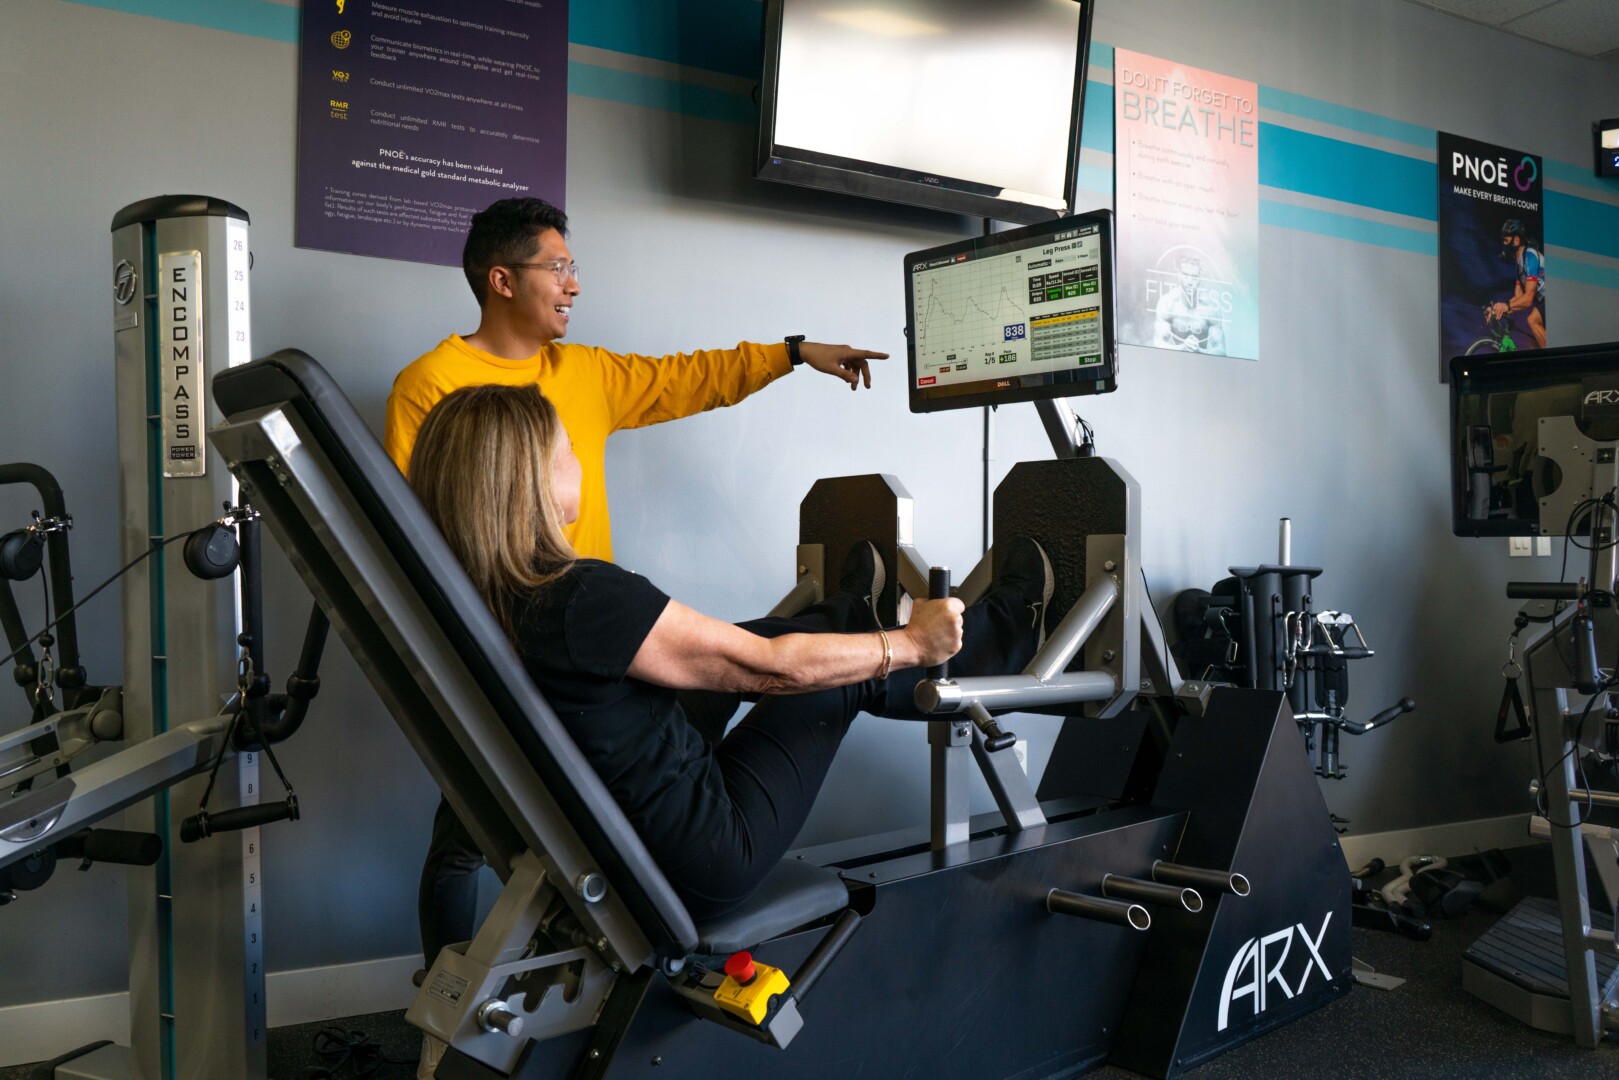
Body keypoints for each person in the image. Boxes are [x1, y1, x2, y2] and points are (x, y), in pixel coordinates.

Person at [407, 380, 1052, 930]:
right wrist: (911, 642)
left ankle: (852, 611)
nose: (578, 455)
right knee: (814, 673)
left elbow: (450, 837)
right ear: (530, 482)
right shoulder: (581, 600)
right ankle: (999, 633)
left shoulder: (478, 614)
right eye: (565, 448)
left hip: (616, 833)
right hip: (706, 855)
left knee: (739, 639)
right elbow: (773, 668)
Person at [384, 196, 889, 561]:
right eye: (557, 268)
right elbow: (410, 533)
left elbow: (689, 378)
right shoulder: (428, 383)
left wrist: (794, 352)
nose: (574, 286)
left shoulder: (586, 371)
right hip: (500, 640)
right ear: (502, 281)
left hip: (589, 625)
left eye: (573, 268)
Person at [1152, 253, 1226, 355]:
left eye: (1194, 277)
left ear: (1200, 278)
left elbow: (1221, 351)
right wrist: (1182, 347)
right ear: (1179, 276)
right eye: (1186, 276)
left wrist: (1199, 350)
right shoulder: (1167, 303)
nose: (1190, 282)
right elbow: (1157, 343)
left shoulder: (1211, 309)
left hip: (1203, 364)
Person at [1492, 218, 1547, 350]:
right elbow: (1518, 298)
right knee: (1532, 345)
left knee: (1532, 320)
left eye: (1506, 240)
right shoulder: (1519, 263)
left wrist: (1507, 306)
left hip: (1551, 300)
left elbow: (1527, 299)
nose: (1504, 244)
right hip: (1542, 301)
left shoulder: (1530, 255)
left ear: (1516, 240)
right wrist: (1497, 309)